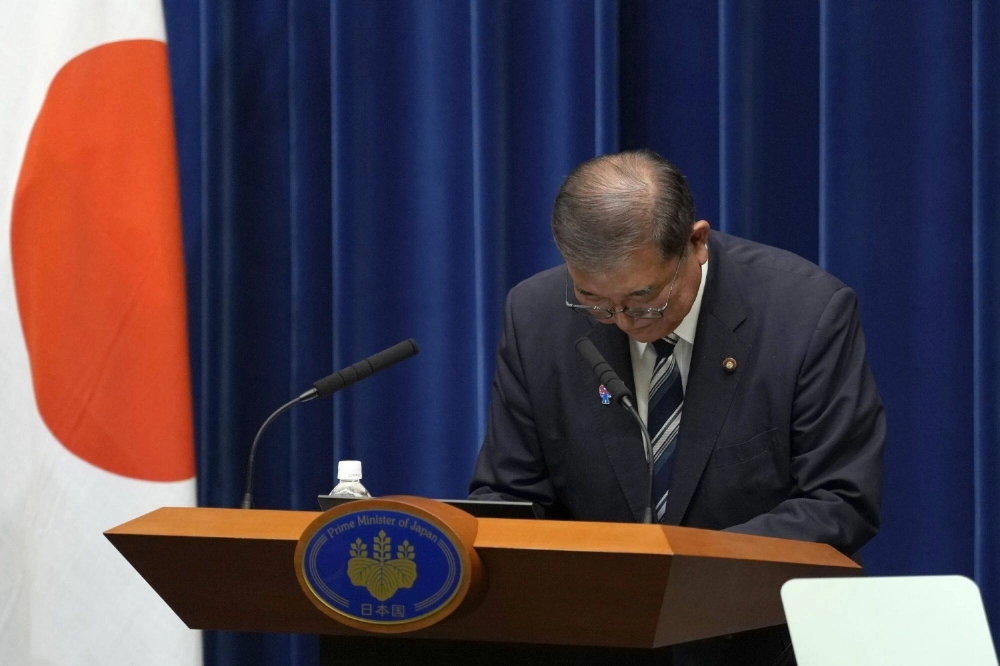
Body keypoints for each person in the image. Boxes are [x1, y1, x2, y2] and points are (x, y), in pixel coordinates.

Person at [469, 149, 885, 665]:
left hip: (762, 640)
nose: (623, 321)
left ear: (696, 243)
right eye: (594, 302)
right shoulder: (536, 317)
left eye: (645, 299)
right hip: (601, 641)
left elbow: (841, 499)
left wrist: (687, 573)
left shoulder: (805, 316)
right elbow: (512, 497)